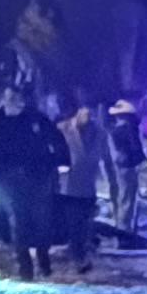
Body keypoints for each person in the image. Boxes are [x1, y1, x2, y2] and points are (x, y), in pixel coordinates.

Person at [0, 85, 68, 281]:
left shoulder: (36, 118)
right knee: (18, 221)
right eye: (10, 98)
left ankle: (43, 256)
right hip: (8, 180)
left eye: (17, 98)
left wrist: (62, 164)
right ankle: (25, 265)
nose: (14, 102)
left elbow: (56, 138)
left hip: (38, 177)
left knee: (42, 220)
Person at [52, 92, 103, 271]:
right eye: (86, 111)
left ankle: (81, 256)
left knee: (86, 225)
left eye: (92, 112)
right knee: (74, 224)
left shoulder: (99, 133)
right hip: (68, 187)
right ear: (78, 111)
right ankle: (77, 258)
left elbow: (106, 159)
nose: (89, 115)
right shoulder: (62, 130)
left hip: (88, 187)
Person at [103, 95, 147, 248]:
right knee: (128, 199)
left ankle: (122, 230)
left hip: (120, 165)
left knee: (123, 197)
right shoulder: (128, 129)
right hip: (129, 165)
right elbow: (135, 147)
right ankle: (125, 233)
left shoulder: (113, 131)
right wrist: (141, 160)